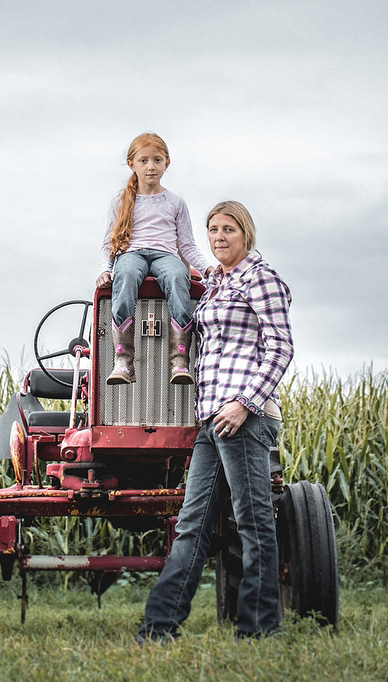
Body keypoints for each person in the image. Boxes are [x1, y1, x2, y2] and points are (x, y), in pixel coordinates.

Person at [137, 200, 293, 642]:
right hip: (210, 416)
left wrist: (245, 403)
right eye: (213, 230)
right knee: (192, 526)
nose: (219, 237)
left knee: (252, 521)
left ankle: (260, 629)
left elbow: (281, 348)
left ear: (246, 233)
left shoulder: (261, 279)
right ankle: (158, 629)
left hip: (243, 415)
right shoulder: (216, 284)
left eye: (228, 229)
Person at [96, 133, 211, 386]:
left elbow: (187, 244)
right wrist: (105, 269)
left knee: (177, 274)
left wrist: (208, 269)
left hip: (164, 254)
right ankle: (123, 361)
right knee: (124, 274)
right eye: (144, 160)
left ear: (166, 163)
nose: (151, 166)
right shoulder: (121, 202)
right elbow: (109, 243)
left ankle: (179, 361)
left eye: (157, 160)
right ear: (132, 164)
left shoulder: (175, 203)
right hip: (132, 254)